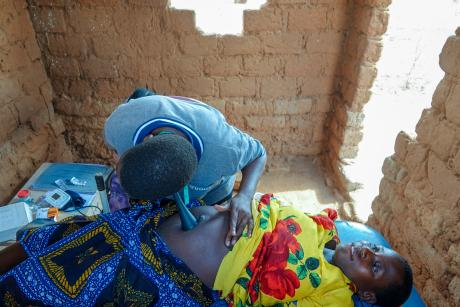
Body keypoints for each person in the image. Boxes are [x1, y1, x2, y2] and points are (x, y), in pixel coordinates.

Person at [0, 141, 413, 306]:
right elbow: (259, 158)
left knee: (46, 288)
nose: (367, 250)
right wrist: (244, 197)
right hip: (147, 221)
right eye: (376, 250)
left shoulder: (332, 293)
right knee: (51, 243)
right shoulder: (322, 226)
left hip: (160, 277)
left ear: (367, 295)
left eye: (374, 266)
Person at [104, 88, 267, 247]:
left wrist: (245, 196)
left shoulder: (225, 148)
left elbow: (259, 154)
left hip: (214, 187)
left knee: (210, 232)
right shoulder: (120, 126)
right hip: (148, 117)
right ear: (146, 140)